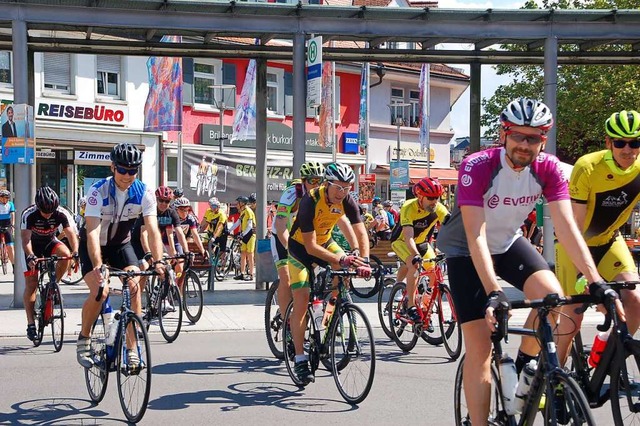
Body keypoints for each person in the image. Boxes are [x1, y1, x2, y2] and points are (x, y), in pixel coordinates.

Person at [436, 98, 610, 425]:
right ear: (505, 134)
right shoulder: (478, 165)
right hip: (465, 249)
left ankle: (522, 368)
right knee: (481, 347)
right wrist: (493, 291)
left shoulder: (549, 168)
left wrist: (595, 280)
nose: (525, 144)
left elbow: (567, 228)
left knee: (553, 299)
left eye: (533, 138)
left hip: (508, 242)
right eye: (518, 135)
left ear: (544, 139)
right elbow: (475, 234)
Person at [556, 109, 640, 363]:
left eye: (635, 142)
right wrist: (585, 274)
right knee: (573, 316)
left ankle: (609, 363)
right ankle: (555, 380)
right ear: (608, 143)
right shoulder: (588, 167)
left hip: (608, 241)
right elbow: (575, 225)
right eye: (620, 142)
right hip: (575, 243)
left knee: (635, 300)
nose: (628, 149)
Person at [76, 143, 166, 369]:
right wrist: (98, 266)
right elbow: (93, 233)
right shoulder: (97, 191)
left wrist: (159, 260)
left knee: (134, 284)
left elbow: (153, 230)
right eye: (123, 170)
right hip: (93, 246)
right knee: (100, 289)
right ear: (112, 167)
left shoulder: (144, 192)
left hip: (120, 246)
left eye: (132, 171)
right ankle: (84, 338)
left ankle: (132, 350)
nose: (127, 175)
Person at [287, 162, 372, 384]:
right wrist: (343, 258)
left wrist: (364, 260)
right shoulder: (310, 201)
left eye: (347, 188)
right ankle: (299, 358)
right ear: (327, 184)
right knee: (302, 298)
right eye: (338, 187)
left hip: (327, 241)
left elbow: (360, 231)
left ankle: (330, 314)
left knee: (341, 275)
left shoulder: (347, 200)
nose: (342, 192)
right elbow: (311, 247)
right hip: (301, 249)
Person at [271, 162, 325, 339]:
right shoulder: (293, 193)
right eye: (313, 180)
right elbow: (280, 225)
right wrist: (291, 249)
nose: (317, 184)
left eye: (320, 180)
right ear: (304, 181)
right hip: (282, 237)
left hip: (306, 239)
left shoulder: (322, 195)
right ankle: (287, 320)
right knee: (286, 276)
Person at [21, 186, 78, 342]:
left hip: (50, 242)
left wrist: (76, 252)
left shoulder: (61, 213)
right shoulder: (29, 214)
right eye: (44, 212)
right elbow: (25, 240)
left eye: (51, 212)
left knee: (66, 255)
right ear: (38, 207)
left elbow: (71, 233)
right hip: (32, 247)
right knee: (31, 284)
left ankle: (53, 287)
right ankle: (31, 323)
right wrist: (31, 256)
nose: (48, 215)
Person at [390, 177, 450, 323]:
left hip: (422, 243)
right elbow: (408, 236)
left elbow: (452, 228)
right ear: (420, 196)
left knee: (435, 271)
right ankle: (410, 306)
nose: (434, 201)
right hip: (402, 242)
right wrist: (416, 255)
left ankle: (424, 306)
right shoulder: (408, 207)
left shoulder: (439, 209)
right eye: (430, 198)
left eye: (437, 197)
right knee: (413, 264)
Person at [229, 196, 256, 281]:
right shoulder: (243, 211)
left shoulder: (248, 211)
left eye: (238, 203)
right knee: (243, 254)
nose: (237, 204)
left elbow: (250, 226)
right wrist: (229, 230)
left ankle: (251, 274)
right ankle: (242, 273)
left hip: (251, 235)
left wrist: (242, 234)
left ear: (242, 203)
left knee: (250, 255)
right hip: (245, 235)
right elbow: (238, 222)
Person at [0, 189, 15, 268]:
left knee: (10, 246)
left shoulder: (10, 204)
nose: (5, 199)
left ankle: (13, 266)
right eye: (3, 197)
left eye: (7, 198)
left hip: (7, 225)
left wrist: (12, 225)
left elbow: (12, 214)